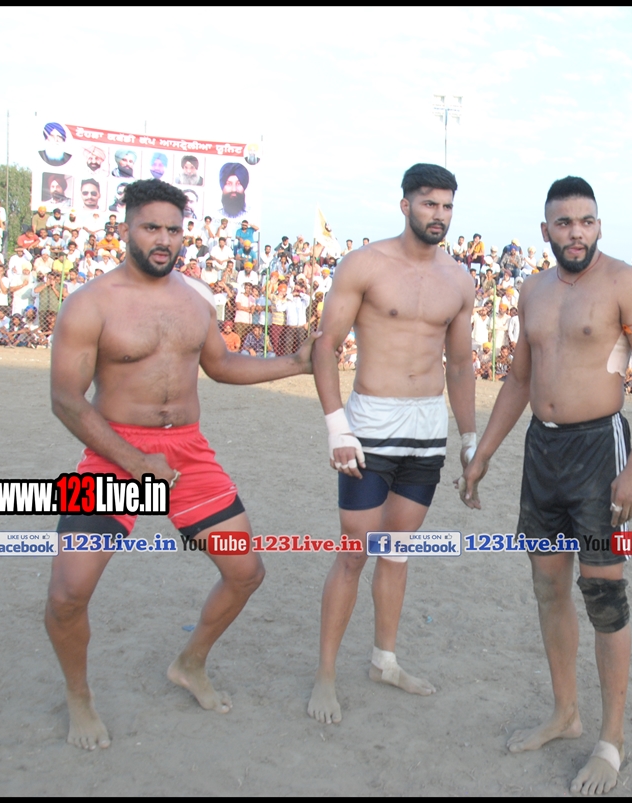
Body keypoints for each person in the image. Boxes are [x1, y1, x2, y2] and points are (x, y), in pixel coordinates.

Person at [43, 180, 319, 751]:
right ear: (126, 228)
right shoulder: (90, 303)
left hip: (187, 452)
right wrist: (133, 460)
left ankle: (189, 663)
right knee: (68, 594)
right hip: (112, 452)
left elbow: (221, 365)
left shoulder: (196, 301)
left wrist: (296, 363)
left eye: (173, 229)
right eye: (151, 227)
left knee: (246, 573)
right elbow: (66, 399)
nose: (164, 239)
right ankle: (79, 696)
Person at [459, 176, 632, 795]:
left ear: (599, 225)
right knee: (548, 585)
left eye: (586, 221)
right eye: (564, 223)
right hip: (543, 450)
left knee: (603, 594)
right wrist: (482, 454)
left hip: (599, 450)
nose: (576, 233)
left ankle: (612, 740)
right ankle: (565, 712)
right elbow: (519, 380)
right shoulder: (533, 290)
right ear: (545, 229)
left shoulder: (625, 283)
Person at [307, 164, 477, 725]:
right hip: (371, 425)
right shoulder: (365, 264)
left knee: (398, 551)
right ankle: (326, 674)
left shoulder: (459, 280)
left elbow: (460, 364)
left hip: (426, 431)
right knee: (354, 551)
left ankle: (385, 660)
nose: (439, 215)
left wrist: (469, 439)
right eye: (429, 204)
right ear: (405, 205)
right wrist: (337, 426)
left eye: (447, 206)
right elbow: (326, 345)